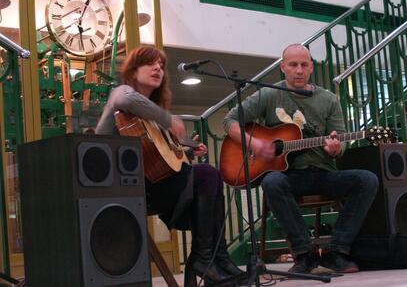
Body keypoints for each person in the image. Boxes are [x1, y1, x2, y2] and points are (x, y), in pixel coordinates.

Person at [223, 43, 379, 274]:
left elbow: (342, 141)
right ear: (283, 67)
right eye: (293, 65)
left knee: (367, 180)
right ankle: (304, 254)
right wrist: (255, 143)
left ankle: (337, 252)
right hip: (290, 176)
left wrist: (336, 148)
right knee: (272, 182)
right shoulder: (268, 94)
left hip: (324, 173)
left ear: (311, 68)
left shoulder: (328, 99)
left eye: (304, 65)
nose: (298, 70)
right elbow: (230, 120)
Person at [96, 46, 245, 286]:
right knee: (208, 175)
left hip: (151, 182)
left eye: (161, 66)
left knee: (209, 175)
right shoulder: (121, 93)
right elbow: (125, 99)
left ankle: (216, 258)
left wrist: (185, 152)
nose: (158, 68)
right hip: (123, 188)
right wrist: (168, 118)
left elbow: (157, 157)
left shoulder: (149, 114)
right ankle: (206, 259)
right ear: (133, 71)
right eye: (150, 64)